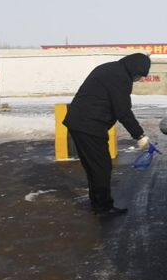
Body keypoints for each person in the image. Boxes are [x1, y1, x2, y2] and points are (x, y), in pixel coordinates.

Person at [63, 53, 152, 217]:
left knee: (94, 167)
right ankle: (103, 207)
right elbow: (123, 111)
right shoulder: (119, 78)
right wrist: (139, 135)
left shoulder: (111, 69)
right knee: (101, 167)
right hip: (89, 125)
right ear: (134, 70)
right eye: (139, 76)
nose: (138, 79)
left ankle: (98, 204)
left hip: (82, 123)